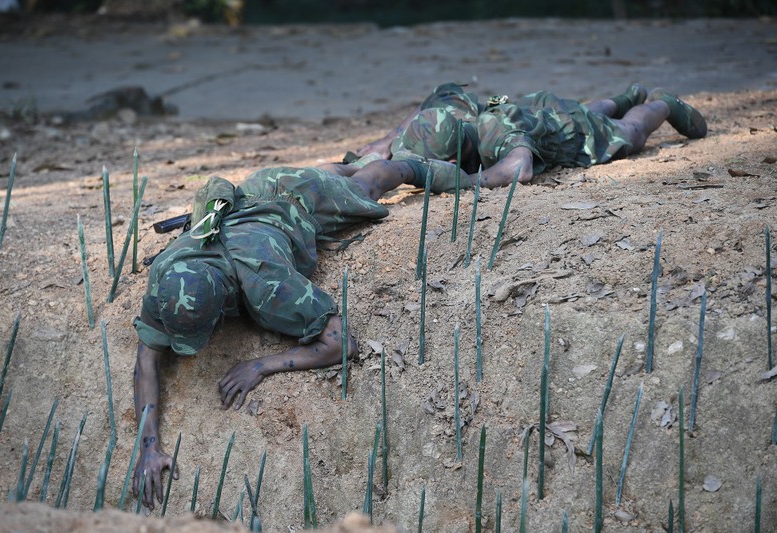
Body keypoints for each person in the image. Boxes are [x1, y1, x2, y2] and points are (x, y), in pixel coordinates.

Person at [130, 157, 468, 509]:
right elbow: (146, 362)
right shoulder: (169, 275)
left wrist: (261, 365)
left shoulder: (267, 284)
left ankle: (469, 173)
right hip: (254, 191)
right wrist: (149, 448)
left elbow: (340, 343)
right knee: (332, 172)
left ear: (223, 304)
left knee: (370, 183)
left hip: (298, 200)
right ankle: (341, 166)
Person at [352, 82, 706, 190]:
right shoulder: (455, 115)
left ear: (448, 159)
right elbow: (441, 93)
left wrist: (465, 180)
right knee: (577, 110)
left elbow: (520, 168)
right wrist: (389, 140)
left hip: (567, 135)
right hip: (538, 112)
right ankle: (624, 97)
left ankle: (663, 105)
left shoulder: (494, 135)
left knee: (628, 133)